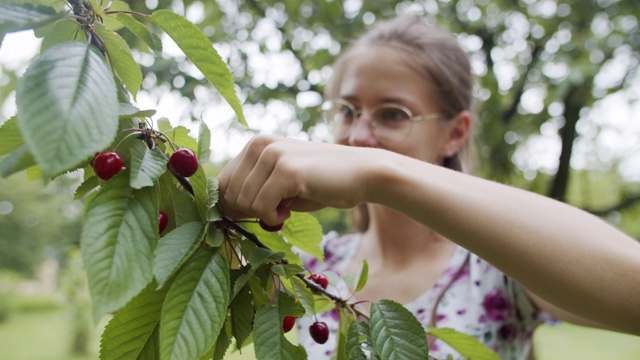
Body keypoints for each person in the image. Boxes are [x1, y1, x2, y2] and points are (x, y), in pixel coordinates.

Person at [217, 14, 640, 359]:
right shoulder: (314, 268)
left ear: (455, 133)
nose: (359, 136)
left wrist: (379, 172)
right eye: (347, 110)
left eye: (393, 114)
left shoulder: (496, 266)